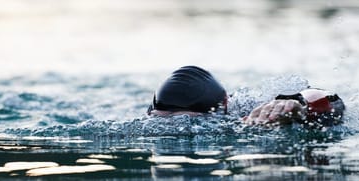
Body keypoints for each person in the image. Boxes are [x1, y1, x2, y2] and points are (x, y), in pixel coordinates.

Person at [147, 65, 345, 127]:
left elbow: (331, 100)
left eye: (186, 120)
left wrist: (297, 105)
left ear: (223, 106)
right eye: (163, 119)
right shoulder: (151, 118)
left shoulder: (252, 107)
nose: (176, 126)